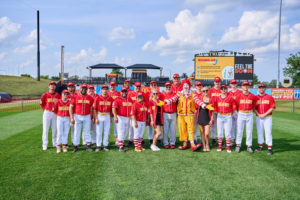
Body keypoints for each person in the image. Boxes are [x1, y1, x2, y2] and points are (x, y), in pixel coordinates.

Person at [162, 79, 202, 151]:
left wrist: (204, 105)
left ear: (189, 86)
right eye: (184, 85)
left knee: (191, 129)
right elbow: (172, 99)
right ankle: (185, 143)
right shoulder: (179, 93)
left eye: (187, 85)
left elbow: (197, 101)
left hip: (189, 114)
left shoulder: (192, 94)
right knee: (182, 129)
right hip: (181, 115)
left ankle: (192, 143)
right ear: (182, 86)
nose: (185, 87)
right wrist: (165, 102)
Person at [70, 84, 94, 152]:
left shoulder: (90, 98)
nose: (84, 90)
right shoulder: (75, 97)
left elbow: (91, 107)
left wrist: (91, 116)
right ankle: (76, 146)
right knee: (77, 131)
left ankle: (88, 145)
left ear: (87, 90)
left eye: (85, 89)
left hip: (87, 116)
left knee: (87, 131)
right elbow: (71, 107)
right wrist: (72, 117)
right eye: (82, 88)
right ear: (80, 89)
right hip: (77, 116)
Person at [213, 85, 236, 153]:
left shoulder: (230, 98)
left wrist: (230, 114)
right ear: (220, 90)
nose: (223, 90)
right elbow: (215, 108)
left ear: (227, 90)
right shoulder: (217, 98)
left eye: (225, 89)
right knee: (220, 131)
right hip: (220, 116)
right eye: (222, 89)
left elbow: (234, 108)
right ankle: (219, 146)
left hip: (228, 116)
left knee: (227, 131)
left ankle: (228, 147)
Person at [255, 83, 276, 155]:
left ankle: (269, 148)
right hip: (259, 117)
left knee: (268, 132)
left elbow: (272, 107)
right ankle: (260, 146)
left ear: (265, 88)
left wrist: (264, 114)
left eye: (263, 87)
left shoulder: (269, 97)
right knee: (259, 132)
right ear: (258, 88)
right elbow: (254, 108)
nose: (261, 89)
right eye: (260, 88)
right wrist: (258, 114)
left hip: (267, 117)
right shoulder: (256, 98)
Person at [235, 81, 256, 154]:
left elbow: (254, 105)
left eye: (247, 85)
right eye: (244, 85)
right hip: (241, 113)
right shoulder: (238, 96)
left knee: (249, 130)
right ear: (242, 87)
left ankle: (249, 146)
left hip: (249, 114)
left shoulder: (253, 96)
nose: (246, 87)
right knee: (239, 130)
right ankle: (238, 144)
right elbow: (236, 105)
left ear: (249, 87)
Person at [40, 81, 61, 150]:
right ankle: (45, 145)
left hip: (55, 113)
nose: (52, 86)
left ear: (55, 87)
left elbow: (59, 104)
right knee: (45, 129)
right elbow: (42, 104)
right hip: (47, 113)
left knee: (54, 129)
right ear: (49, 86)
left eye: (54, 85)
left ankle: (54, 143)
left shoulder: (58, 95)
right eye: (51, 85)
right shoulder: (45, 95)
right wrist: (45, 111)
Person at [112, 87, 133, 152]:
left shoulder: (129, 99)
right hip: (120, 117)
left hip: (128, 117)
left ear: (127, 92)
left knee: (126, 131)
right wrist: (115, 116)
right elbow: (113, 108)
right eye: (122, 91)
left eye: (125, 91)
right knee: (121, 131)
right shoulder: (117, 99)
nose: (124, 93)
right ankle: (121, 147)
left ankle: (122, 144)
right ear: (120, 92)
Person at [93, 85, 113, 152]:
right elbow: (95, 109)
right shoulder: (97, 98)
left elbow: (111, 109)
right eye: (103, 89)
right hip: (100, 115)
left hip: (107, 115)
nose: (105, 90)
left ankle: (105, 145)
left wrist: (110, 117)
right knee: (99, 131)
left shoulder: (110, 98)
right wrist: (96, 118)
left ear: (108, 90)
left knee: (106, 131)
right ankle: (98, 145)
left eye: (106, 89)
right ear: (101, 90)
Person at [127, 82, 144, 146]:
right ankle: (130, 140)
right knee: (131, 127)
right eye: (137, 86)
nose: (138, 87)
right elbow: (128, 102)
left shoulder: (142, 93)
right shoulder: (130, 93)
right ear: (134, 86)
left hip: (140, 112)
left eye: (139, 86)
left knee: (140, 128)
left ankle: (140, 140)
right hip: (132, 112)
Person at [197, 86, 214, 152]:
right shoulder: (200, 98)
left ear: (209, 91)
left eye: (206, 90)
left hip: (207, 118)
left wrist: (211, 120)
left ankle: (207, 144)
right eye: (204, 91)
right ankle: (204, 145)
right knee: (202, 132)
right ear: (202, 92)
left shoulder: (211, 99)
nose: (205, 92)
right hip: (201, 117)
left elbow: (212, 111)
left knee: (207, 133)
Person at [228, 79, 242, 146]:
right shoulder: (228, 93)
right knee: (231, 126)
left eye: (234, 83)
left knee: (239, 127)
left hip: (238, 111)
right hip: (231, 111)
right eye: (232, 83)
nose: (233, 85)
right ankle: (232, 140)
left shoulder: (240, 92)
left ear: (236, 84)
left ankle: (238, 141)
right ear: (230, 85)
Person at [162, 82, 177, 149]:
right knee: (165, 130)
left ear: (171, 87)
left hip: (173, 113)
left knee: (173, 130)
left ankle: (172, 143)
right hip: (165, 113)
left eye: (169, 87)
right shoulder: (162, 95)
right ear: (165, 87)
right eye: (167, 87)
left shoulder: (174, 94)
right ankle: (165, 143)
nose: (168, 88)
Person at [209, 77, 222, 146]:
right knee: (213, 125)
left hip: (220, 110)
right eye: (216, 82)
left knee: (221, 126)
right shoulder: (210, 90)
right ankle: (213, 139)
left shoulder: (222, 90)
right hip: (213, 110)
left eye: (218, 82)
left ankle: (220, 139)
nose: (217, 83)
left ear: (220, 82)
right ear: (214, 82)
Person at [108, 81, 121, 146]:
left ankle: (117, 139)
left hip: (116, 112)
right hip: (108, 112)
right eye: (111, 85)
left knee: (117, 127)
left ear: (115, 86)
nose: (112, 86)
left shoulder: (118, 93)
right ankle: (106, 139)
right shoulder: (107, 93)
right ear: (109, 86)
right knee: (108, 127)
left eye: (113, 85)